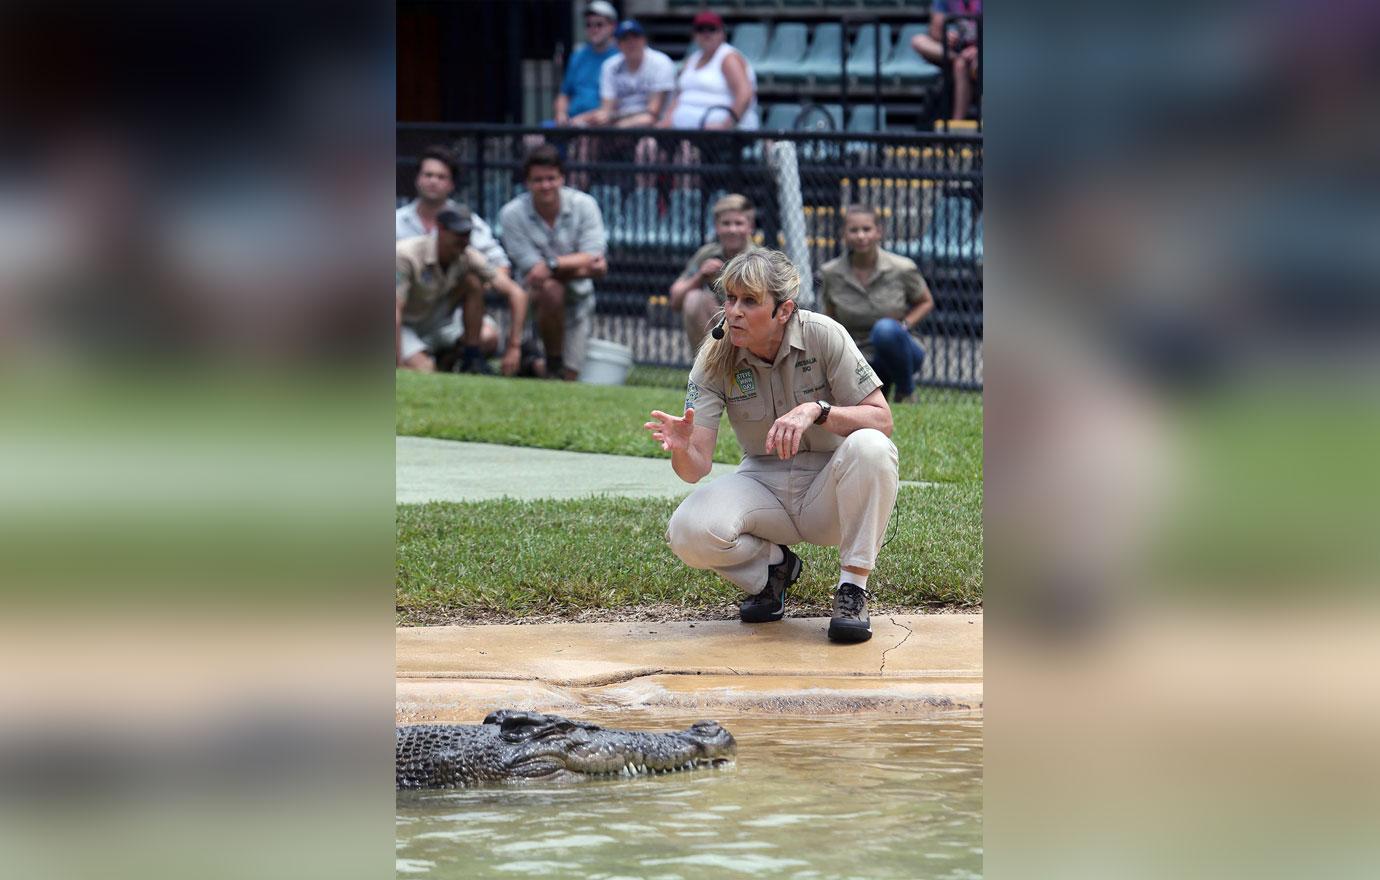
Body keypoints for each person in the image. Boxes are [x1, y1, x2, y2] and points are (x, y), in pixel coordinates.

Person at [644, 250, 899, 644]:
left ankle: (852, 589)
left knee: (871, 447)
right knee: (687, 531)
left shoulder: (823, 334)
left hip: (829, 491)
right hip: (763, 483)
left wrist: (817, 410)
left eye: (750, 301)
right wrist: (681, 447)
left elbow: (882, 421)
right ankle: (774, 569)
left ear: (784, 310)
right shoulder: (715, 355)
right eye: (730, 299)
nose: (734, 312)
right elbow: (696, 469)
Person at [498, 145, 608, 381]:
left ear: (562, 179)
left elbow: (594, 256)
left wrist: (552, 264)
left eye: (551, 178)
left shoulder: (585, 205)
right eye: (538, 180)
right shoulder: (511, 214)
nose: (545, 185)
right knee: (550, 288)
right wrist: (582, 267)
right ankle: (549, 362)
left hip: (579, 297)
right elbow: (534, 272)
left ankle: (535, 365)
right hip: (533, 297)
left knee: (569, 376)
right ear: (527, 182)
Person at [396, 145, 510, 360]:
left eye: (441, 177)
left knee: (487, 336)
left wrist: (478, 284)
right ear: (417, 179)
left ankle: (453, 359)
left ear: (451, 184)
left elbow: (500, 264)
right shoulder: (394, 222)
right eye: (428, 175)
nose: (433, 181)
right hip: (403, 312)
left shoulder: (469, 223)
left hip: (446, 311)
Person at [819, 205, 935, 404]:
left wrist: (904, 325)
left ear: (878, 232)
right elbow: (830, 318)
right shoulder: (830, 272)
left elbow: (926, 301)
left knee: (885, 330)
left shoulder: (902, 267)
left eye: (867, 229)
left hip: (900, 348)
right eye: (854, 230)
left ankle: (906, 393)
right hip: (858, 354)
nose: (861, 236)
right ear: (844, 235)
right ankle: (880, 390)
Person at [396, 207, 529, 376]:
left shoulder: (467, 256)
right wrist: (398, 364)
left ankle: (470, 358)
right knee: (425, 371)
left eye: (467, 233)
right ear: (441, 229)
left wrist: (513, 347)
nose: (464, 240)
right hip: (401, 324)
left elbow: (517, 294)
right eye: (458, 233)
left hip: (432, 319)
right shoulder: (405, 255)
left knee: (486, 332)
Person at [669, 193, 760, 352]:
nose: (732, 229)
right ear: (717, 227)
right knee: (694, 299)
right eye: (726, 223)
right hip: (720, 325)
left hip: (752, 329)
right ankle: (707, 368)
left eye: (738, 223)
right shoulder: (708, 254)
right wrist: (700, 276)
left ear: (750, 227)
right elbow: (675, 299)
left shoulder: (760, 258)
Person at [660, 10, 758, 131]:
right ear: (694, 35)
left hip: (720, 135)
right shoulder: (692, 59)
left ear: (722, 33)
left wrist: (725, 126)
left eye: (712, 29)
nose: (706, 34)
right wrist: (665, 123)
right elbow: (679, 97)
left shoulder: (728, 58)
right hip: (684, 130)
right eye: (701, 29)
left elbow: (744, 95)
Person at [585, 19, 676, 128]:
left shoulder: (661, 62)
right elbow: (606, 109)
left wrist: (618, 125)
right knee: (587, 133)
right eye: (625, 39)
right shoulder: (610, 66)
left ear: (644, 40)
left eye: (635, 37)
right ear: (618, 44)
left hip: (653, 126)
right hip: (618, 121)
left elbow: (653, 113)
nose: (631, 43)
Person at [910, 0, 982, 120]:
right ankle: (956, 131)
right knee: (918, 40)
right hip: (956, 51)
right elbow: (934, 31)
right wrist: (946, 35)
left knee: (965, 66)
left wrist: (978, 49)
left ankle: (957, 123)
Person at [552, 2, 621, 127]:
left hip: (601, 125)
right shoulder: (578, 55)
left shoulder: (620, 57)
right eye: (589, 25)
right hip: (571, 123)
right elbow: (564, 93)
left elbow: (617, 105)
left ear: (613, 26)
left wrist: (584, 119)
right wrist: (561, 114)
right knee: (531, 139)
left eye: (599, 24)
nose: (593, 29)